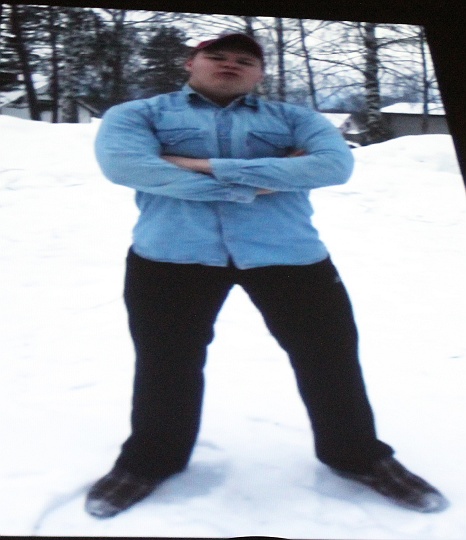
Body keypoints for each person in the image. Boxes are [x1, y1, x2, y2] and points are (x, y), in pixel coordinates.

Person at [85, 33, 448, 518]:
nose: (230, 64)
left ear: (259, 73)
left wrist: (195, 165)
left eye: (245, 60)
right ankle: (150, 462)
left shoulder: (296, 119)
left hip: (288, 255)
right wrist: (268, 176)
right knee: (165, 363)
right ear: (190, 63)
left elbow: (334, 166)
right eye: (217, 56)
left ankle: (358, 456)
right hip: (172, 257)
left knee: (330, 359)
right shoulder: (138, 115)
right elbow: (128, 167)